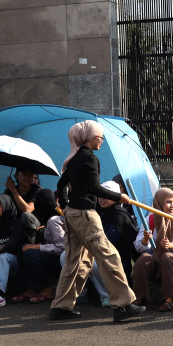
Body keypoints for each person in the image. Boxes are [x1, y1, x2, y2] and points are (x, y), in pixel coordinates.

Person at [49, 120, 146, 322]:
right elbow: (94, 188)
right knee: (109, 255)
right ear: (90, 137)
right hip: (84, 214)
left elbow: (61, 184)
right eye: (100, 136)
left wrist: (67, 206)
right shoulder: (90, 159)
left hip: (73, 213)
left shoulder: (74, 159)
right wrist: (120, 196)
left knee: (75, 261)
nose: (102, 139)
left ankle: (61, 306)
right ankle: (123, 305)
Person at [130, 187, 173, 311]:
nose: (172, 205)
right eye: (168, 202)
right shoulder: (150, 220)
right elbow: (138, 245)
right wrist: (145, 240)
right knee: (143, 259)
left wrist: (172, 246)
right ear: (159, 203)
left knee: (167, 257)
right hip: (156, 259)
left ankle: (171, 299)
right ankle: (138, 298)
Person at [14, 189, 65, 304]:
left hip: (61, 261)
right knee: (22, 248)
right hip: (53, 257)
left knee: (30, 254)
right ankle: (30, 289)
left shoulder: (53, 220)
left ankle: (47, 290)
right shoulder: (48, 220)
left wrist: (37, 247)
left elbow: (61, 248)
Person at [99, 180, 140, 278]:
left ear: (116, 197)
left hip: (118, 264)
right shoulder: (99, 213)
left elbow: (108, 242)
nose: (101, 198)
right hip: (101, 257)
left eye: (107, 195)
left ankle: (106, 294)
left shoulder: (120, 217)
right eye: (100, 194)